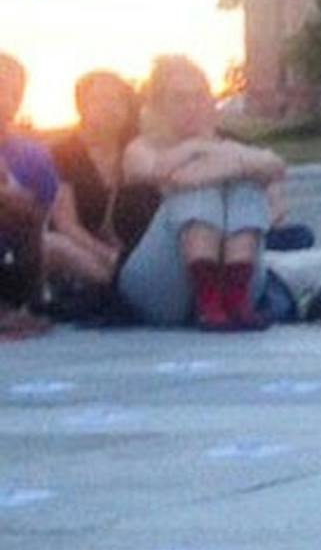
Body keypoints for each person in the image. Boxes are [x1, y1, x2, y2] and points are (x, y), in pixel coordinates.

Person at [117, 56, 283, 330]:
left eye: (198, 97)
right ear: (159, 106)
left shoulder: (231, 145)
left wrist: (227, 162)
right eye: (179, 99)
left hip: (234, 274)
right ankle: (209, 302)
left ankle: (233, 299)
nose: (191, 107)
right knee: (197, 189)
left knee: (246, 184)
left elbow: (276, 170)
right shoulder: (141, 148)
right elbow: (165, 173)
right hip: (160, 284)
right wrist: (200, 151)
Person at [46, 71, 145, 298]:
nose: (109, 107)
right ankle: (119, 285)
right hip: (85, 249)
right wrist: (109, 256)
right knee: (56, 246)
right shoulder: (63, 153)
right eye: (99, 99)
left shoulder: (137, 148)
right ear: (82, 106)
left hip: (135, 252)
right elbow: (66, 224)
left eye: (117, 99)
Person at [0, 53, 58, 337]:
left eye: (10, 91)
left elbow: (42, 215)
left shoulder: (34, 154)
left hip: (12, 251)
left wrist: (11, 195)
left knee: (21, 217)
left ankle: (23, 306)